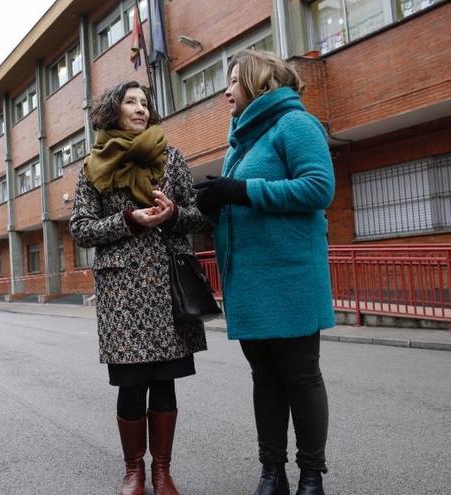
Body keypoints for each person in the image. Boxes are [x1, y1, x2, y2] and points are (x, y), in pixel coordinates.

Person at [194, 50, 335, 495]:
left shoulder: (295, 123)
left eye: (233, 81)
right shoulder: (240, 141)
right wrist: (213, 203)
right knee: (265, 380)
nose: (225, 90)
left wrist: (241, 189)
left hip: (289, 277)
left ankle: (311, 476)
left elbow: (318, 187)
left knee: (300, 376)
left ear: (256, 82)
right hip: (250, 281)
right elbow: (240, 203)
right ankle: (271, 473)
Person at [70, 80, 207, 495]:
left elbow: (200, 217)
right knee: (130, 384)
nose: (140, 108)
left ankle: (162, 472)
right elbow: (80, 229)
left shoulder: (172, 158)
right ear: (114, 110)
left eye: (145, 102)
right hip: (122, 293)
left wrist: (173, 214)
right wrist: (129, 220)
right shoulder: (94, 167)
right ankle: (134, 471)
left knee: (164, 383)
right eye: (131, 101)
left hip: (166, 288)